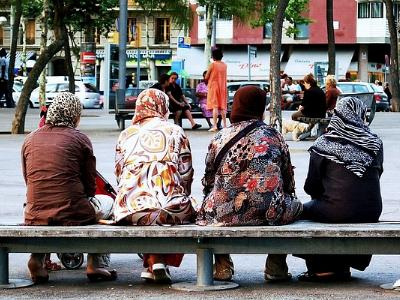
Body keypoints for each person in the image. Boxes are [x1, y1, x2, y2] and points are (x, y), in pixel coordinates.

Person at [197, 86, 303, 282]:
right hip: (268, 212)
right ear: (260, 108)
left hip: (224, 211)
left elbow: (209, 179)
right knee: (295, 206)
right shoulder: (273, 135)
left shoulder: (220, 137)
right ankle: (276, 263)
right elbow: (288, 179)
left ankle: (222, 264)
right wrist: (285, 196)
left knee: (212, 207)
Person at [22, 92, 116, 284]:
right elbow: (90, 188)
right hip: (73, 213)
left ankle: (37, 260)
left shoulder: (30, 139)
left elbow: (28, 179)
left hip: (35, 212)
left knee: (44, 208)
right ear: (74, 115)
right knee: (109, 203)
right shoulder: (80, 139)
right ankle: (95, 263)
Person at [113, 88, 197, 283]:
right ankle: (159, 260)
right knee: (179, 205)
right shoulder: (175, 130)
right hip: (170, 208)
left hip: (130, 209)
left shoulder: (125, 134)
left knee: (147, 211)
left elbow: (119, 176)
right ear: (163, 106)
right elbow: (186, 174)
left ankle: (152, 261)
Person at [297, 96, 383, 282]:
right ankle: (343, 265)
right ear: (361, 115)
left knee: (302, 212)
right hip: (371, 210)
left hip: (335, 209)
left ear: (337, 114)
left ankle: (322, 267)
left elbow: (311, 186)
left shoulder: (324, 143)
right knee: (339, 209)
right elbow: (376, 176)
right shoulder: (375, 143)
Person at [291, 74, 326, 140]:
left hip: (311, 113)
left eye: (304, 83)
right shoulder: (320, 90)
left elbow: (303, 104)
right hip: (321, 113)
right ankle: (308, 129)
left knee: (294, 115)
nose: (304, 84)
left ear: (308, 83)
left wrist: (299, 109)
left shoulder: (308, 91)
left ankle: (304, 129)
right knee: (307, 117)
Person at [205, 47, 228, 132]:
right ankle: (225, 125)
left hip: (214, 86)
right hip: (222, 86)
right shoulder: (225, 65)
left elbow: (206, 76)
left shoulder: (213, 65)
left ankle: (214, 125)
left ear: (213, 56)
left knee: (215, 106)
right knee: (222, 107)